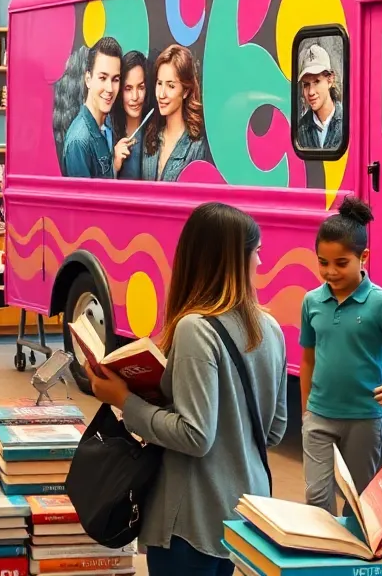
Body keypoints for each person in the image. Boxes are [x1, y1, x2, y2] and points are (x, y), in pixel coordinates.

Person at [88, 202, 288, 576]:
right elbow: (273, 430)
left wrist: (124, 400)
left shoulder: (195, 329)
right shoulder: (271, 330)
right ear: (232, 260)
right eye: (256, 253)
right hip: (244, 514)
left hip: (192, 515)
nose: (260, 263)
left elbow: (196, 436)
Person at [300, 198, 382, 513]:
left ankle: (352, 558)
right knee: (316, 499)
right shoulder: (311, 302)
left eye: (341, 263)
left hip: (365, 420)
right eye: (322, 262)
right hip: (319, 417)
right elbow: (308, 359)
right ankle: (322, 558)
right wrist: (306, 412)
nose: (330, 271)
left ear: (363, 257)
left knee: (358, 503)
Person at [142, 44, 207, 182]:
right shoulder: (151, 136)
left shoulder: (196, 146)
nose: (161, 94)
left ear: (185, 91)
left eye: (171, 86)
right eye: (159, 83)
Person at [62, 37, 121, 179]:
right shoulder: (79, 141)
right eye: (102, 78)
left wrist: (114, 165)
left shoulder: (106, 127)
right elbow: (83, 200)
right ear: (88, 79)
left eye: (115, 79)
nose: (110, 88)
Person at [111, 51, 151, 180]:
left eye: (141, 87)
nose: (135, 97)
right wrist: (114, 165)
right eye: (128, 88)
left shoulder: (155, 130)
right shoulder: (107, 130)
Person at [296, 44, 343, 151]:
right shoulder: (300, 129)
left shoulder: (349, 122)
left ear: (330, 80)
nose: (311, 92)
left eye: (317, 81)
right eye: (306, 84)